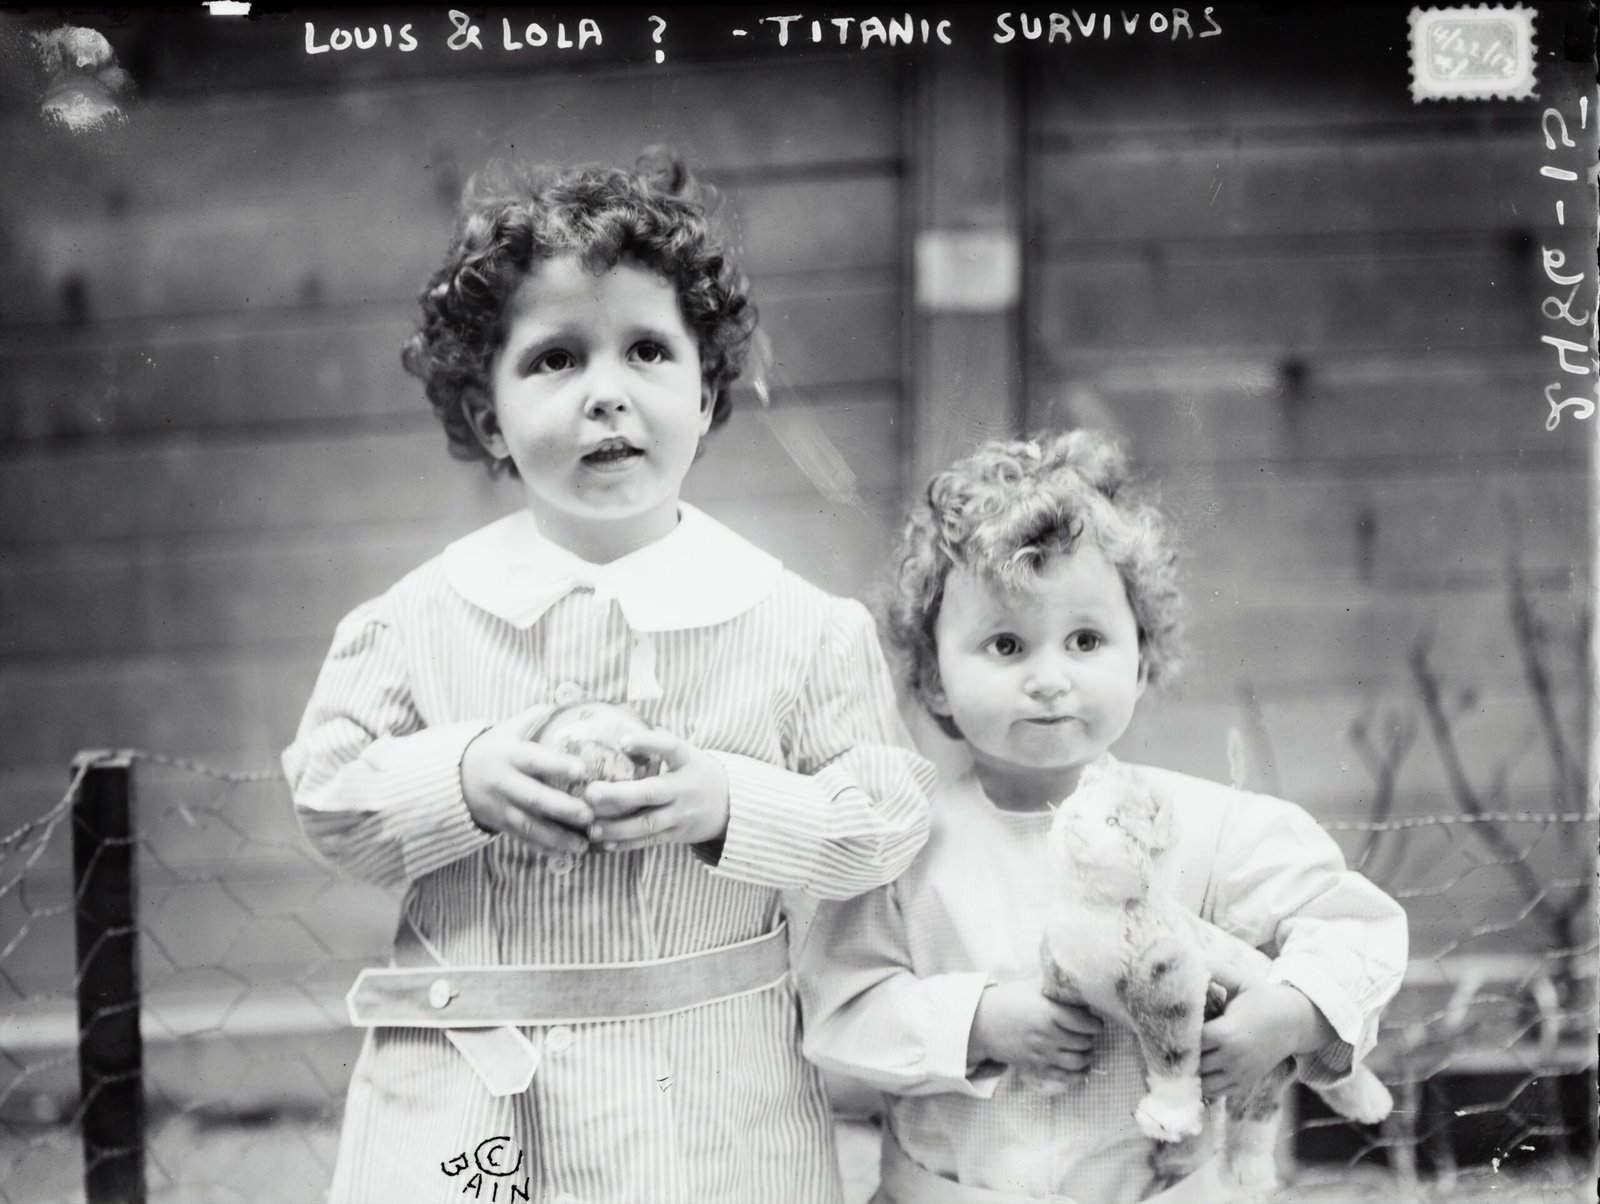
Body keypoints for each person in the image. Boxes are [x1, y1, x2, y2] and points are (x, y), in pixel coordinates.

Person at [281, 150, 933, 1204]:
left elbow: (889, 814)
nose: (606, 396)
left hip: (715, 1095)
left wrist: (732, 802)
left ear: (708, 392)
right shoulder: (414, 620)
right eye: (553, 360)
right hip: (474, 1092)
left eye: (645, 351)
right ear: (488, 416)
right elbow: (328, 790)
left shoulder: (800, 626)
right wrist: (462, 775)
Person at [796, 431, 1408, 1203]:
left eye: (1086, 640)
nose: (1050, 679)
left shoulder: (1210, 827)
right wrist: (976, 1022)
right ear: (936, 679)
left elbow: (1359, 927)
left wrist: (1288, 1016)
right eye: (1007, 644)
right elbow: (841, 1004)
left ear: (1142, 656)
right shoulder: (904, 842)